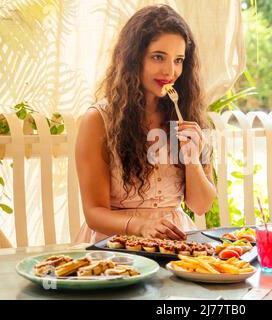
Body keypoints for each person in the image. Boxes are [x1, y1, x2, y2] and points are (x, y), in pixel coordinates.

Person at [74, 5, 216, 244]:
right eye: (158, 57)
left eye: (178, 60)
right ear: (133, 58)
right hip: (115, 242)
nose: (170, 71)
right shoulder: (98, 120)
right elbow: (93, 213)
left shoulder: (189, 117)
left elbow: (201, 206)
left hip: (175, 240)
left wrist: (193, 160)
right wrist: (140, 226)